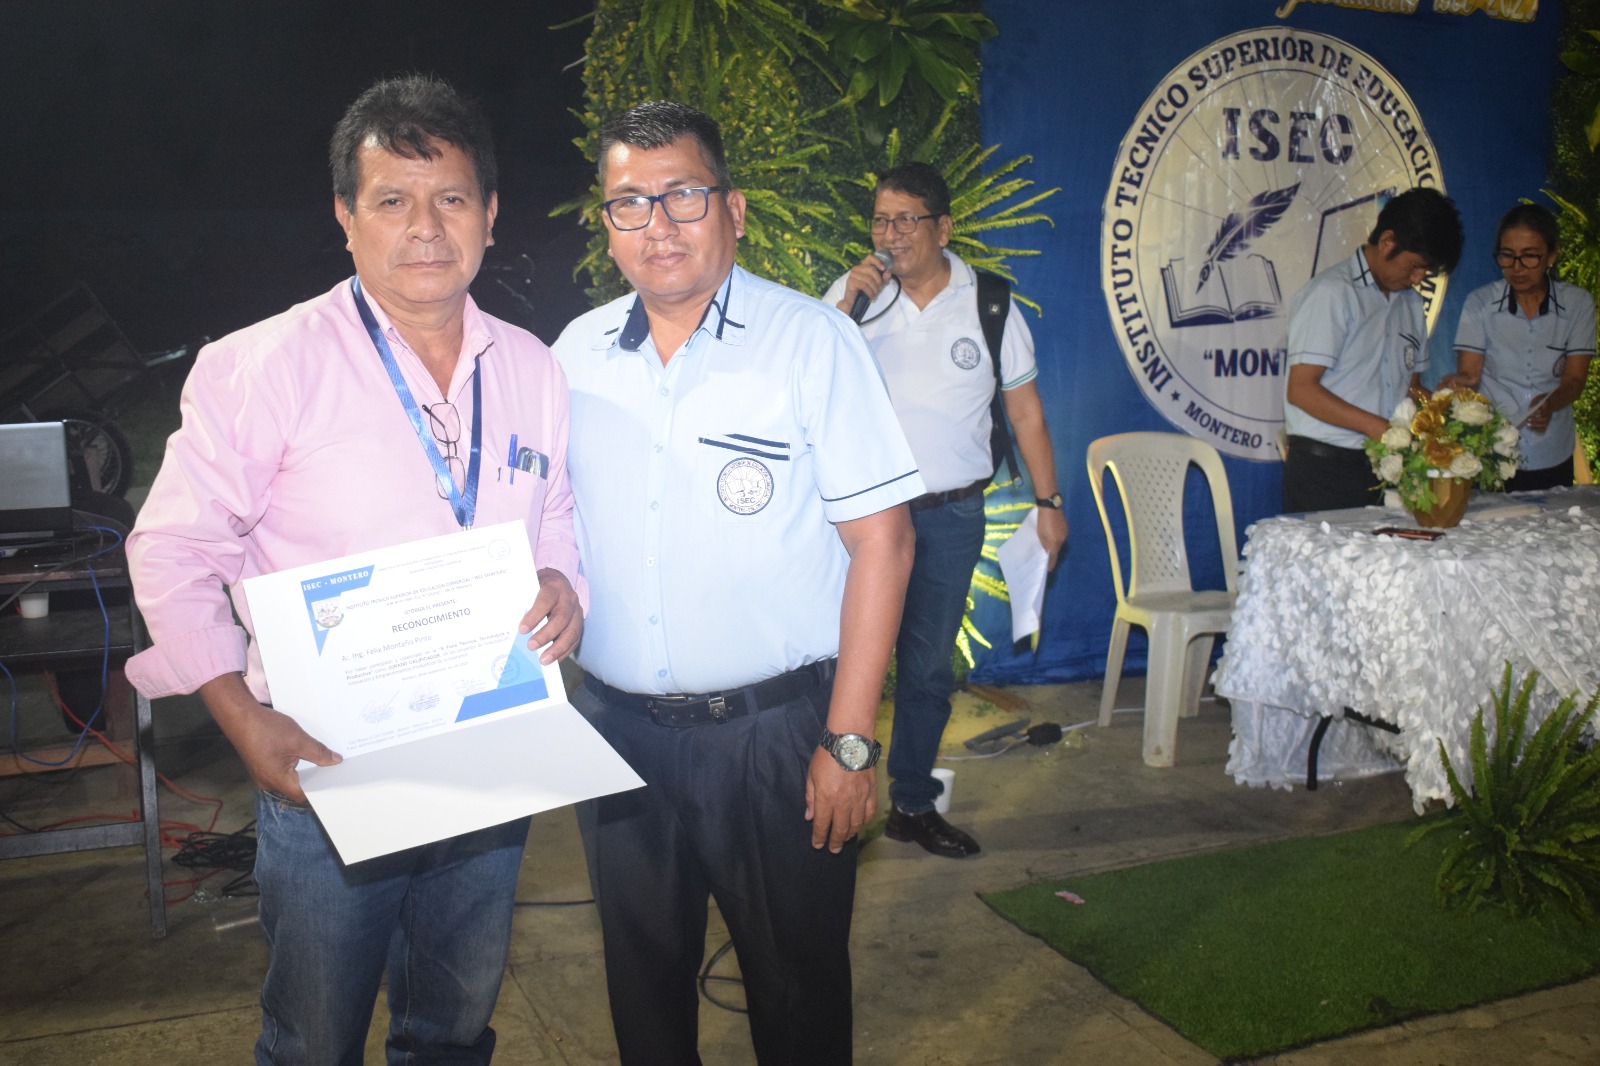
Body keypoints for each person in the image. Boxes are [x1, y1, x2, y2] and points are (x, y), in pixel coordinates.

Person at [123, 74, 584, 1065]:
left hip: (490, 754)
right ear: (345, 217)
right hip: (326, 770)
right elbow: (172, 550)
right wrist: (241, 720)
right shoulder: (263, 366)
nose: (425, 227)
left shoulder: (533, 367)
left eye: (450, 197)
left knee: (453, 1029)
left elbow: (555, 513)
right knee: (314, 1039)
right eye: (391, 200)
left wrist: (563, 582)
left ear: (490, 213)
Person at [551, 100, 921, 1065]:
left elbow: (884, 544)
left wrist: (848, 741)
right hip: (618, 734)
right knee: (643, 993)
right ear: (607, 224)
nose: (658, 225)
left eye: (683, 195)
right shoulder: (573, 356)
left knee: (797, 994)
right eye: (630, 203)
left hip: (772, 740)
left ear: (735, 208)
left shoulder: (811, 342)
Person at [823, 162, 1067, 859]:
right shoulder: (850, 296)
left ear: (944, 228)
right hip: (865, 521)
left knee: (929, 668)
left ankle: (911, 803)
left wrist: (1049, 502)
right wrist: (846, 310)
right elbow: (807, 387)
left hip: (953, 517)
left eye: (906, 220)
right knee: (842, 662)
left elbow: (1025, 412)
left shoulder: (989, 303)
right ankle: (832, 794)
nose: (890, 234)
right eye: (881, 220)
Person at [1283, 187, 1464, 513]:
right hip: (1325, 470)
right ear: (1387, 242)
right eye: (1415, 266)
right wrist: (1378, 428)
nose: (1418, 279)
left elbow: (1410, 387)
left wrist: (1446, 409)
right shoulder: (1332, 293)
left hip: (1389, 467)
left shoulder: (1411, 304)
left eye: (1426, 272)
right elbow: (1301, 390)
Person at [1445, 203, 1595, 491]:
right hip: (1493, 450)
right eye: (1507, 256)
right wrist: (1454, 385)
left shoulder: (1577, 304)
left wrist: (1550, 404)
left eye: (1529, 257)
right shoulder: (1480, 303)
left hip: (1553, 449)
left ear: (1552, 255)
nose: (1516, 268)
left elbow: (1575, 380)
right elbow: (1470, 376)